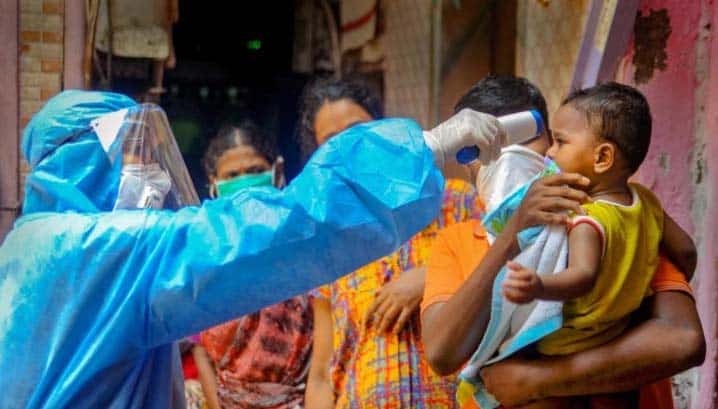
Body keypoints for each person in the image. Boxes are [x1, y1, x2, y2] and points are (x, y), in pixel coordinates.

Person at [0, 89, 504, 408]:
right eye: (133, 157)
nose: (146, 174)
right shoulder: (101, 251)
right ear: (86, 158)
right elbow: (281, 228)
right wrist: (426, 147)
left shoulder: (25, 249)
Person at [420, 76, 705, 408]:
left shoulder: (619, 217)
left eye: (522, 136)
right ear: (466, 164)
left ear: (548, 140)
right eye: (477, 148)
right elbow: (442, 354)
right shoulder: (456, 242)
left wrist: (536, 381)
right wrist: (514, 231)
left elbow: (682, 340)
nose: (505, 158)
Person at [300, 77, 496, 408]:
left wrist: (430, 278)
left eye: (358, 129)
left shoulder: (456, 202)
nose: (349, 147)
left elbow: (509, 262)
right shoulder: (327, 242)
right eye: (331, 142)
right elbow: (321, 374)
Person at [500, 82, 697, 408]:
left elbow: (582, 277)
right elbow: (686, 251)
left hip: (568, 346)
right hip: (620, 333)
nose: (550, 152)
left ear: (603, 157)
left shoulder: (586, 219)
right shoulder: (646, 202)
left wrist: (538, 285)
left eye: (560, 141)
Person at [197, 122, 312, 409]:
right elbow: (199, 349)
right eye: (232, 175)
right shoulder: (204, 253)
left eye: (254, 170)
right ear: (214, 183)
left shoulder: (305, 243)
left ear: (277, 172)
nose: (245, 182)